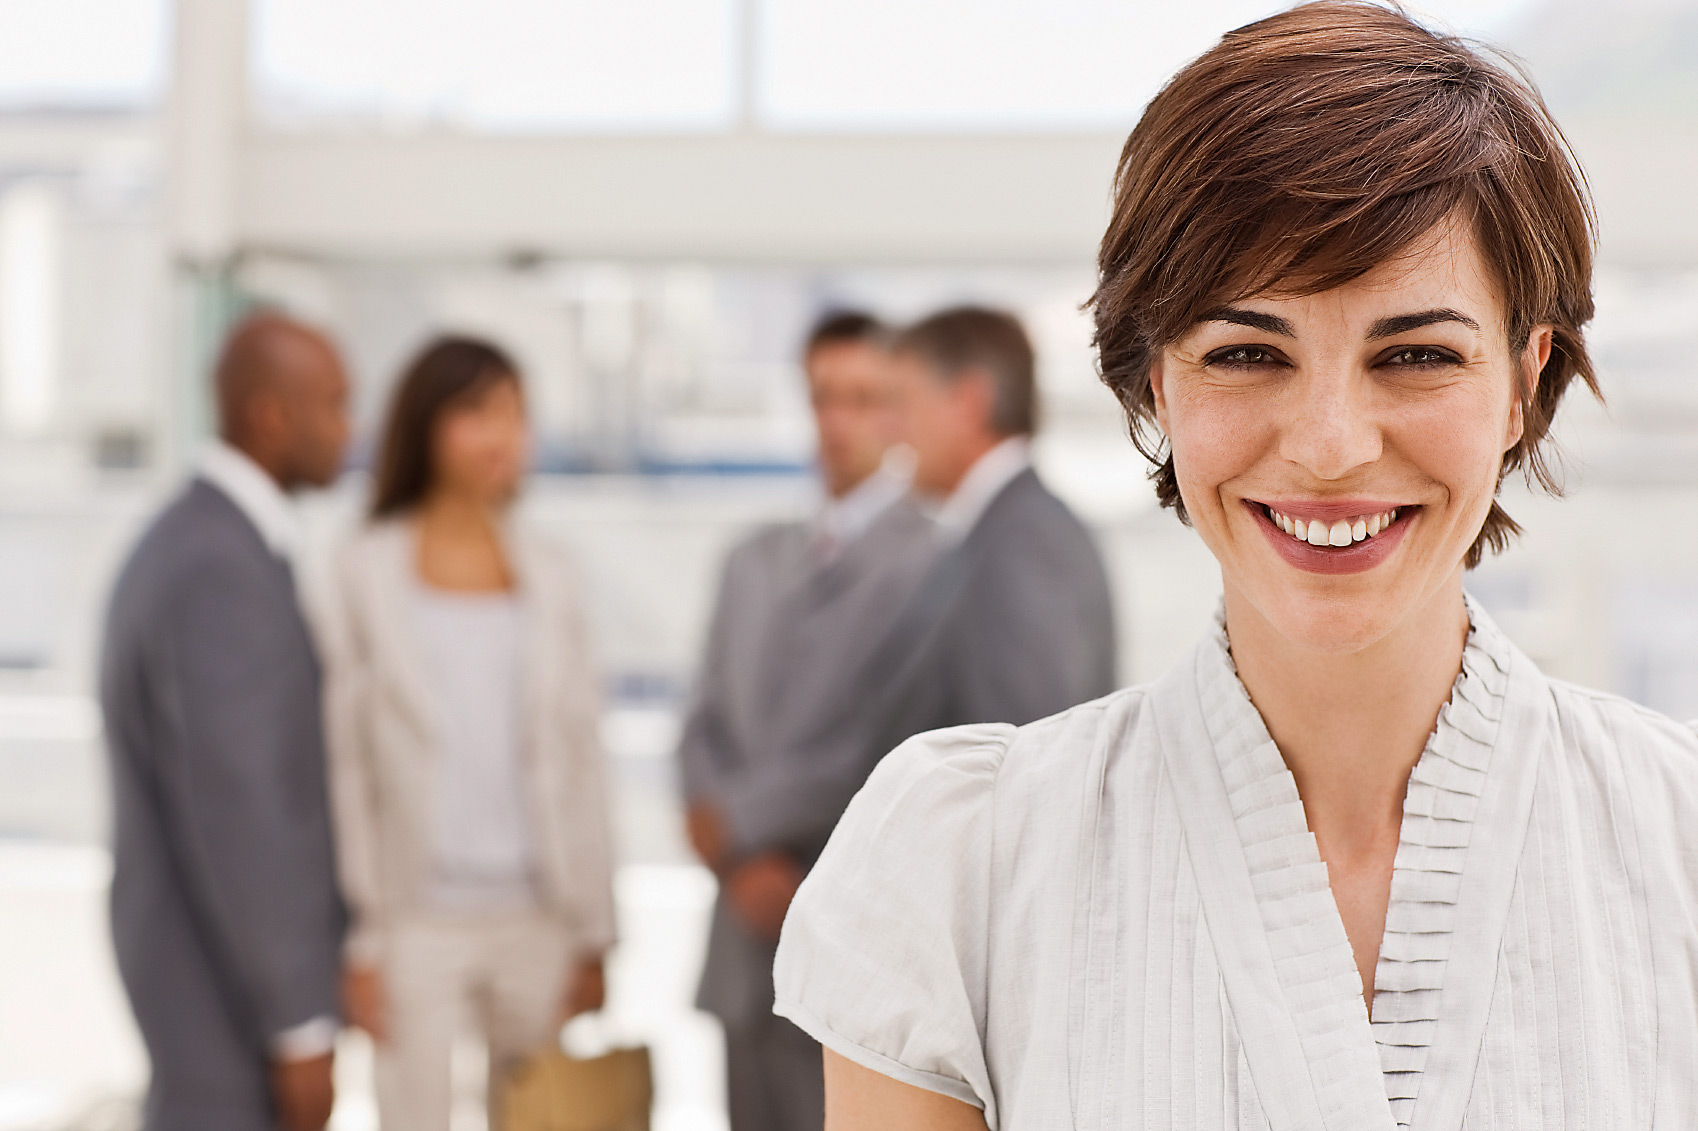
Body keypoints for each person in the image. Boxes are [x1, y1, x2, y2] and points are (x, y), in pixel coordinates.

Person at [773, 4, 1698, 1129]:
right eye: (1246, 353)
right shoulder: (961, 863)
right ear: (1156, 384)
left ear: (1522, 381)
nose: (1328, 443)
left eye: (1416, 354)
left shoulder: (1675, 835)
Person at [317, 336, 615, 1131]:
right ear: (425, 424)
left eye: (517, 415)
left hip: (539, 908)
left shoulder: (551, 572)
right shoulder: (362, 569)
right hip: (415, 913)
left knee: (543, 1118)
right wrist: (362, 939)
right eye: (478, 411)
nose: (502, 436)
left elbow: (582, 756)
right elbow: (347, 766)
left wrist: (595, 929)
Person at [678, 311, 940, 1131]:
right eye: (824, 396)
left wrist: (738, 826)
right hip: (740, 931)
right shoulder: (750, 559)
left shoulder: (933, 564)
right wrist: (727, 851)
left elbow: (880, 745)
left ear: (901, 410)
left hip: (841, 920)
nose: (838, 421)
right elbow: (704, 722)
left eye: (864, 398)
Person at [99, 313, 351, 1131]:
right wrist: (301, 1021)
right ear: (270, 415)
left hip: (206, 977)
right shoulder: (219, 567)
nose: (352, 428)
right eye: (335, 404)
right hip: (221, 988)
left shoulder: (206, 541)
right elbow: (247, 813)